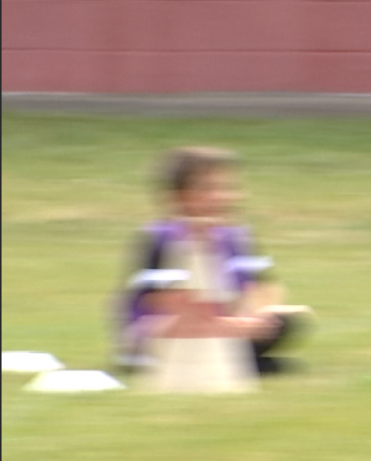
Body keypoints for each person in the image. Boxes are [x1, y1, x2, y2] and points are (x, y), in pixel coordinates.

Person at [113, 146, 311, 376]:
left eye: (227, 188)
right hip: (171, 329)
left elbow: (264, 285)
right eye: (207, 189)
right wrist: (232, 324)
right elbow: (166, 302)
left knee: (284, 320)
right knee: (169, 331)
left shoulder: (235, 236)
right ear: (177, 196)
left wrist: (256, 314)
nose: (220, 197)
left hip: (222, 324)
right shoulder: (162, 239)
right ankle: (229, 361)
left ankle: (232, 357)